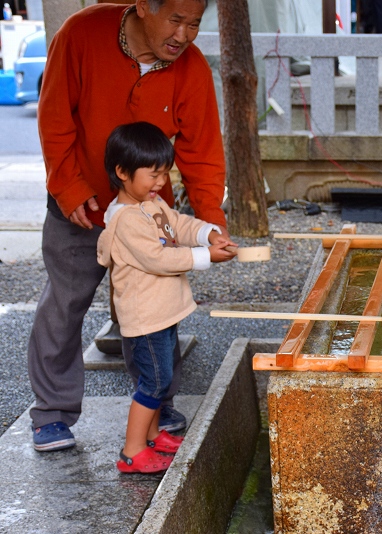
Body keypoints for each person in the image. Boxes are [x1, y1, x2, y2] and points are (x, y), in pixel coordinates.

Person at [29, 0, 227, 452]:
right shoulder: (80, 34)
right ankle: (52, 413)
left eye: (194, 24)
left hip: (149, 213)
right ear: (142, 7)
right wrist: (69, 188)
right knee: (65, 304)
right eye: (175, 20)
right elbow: (54, 118)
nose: (184, 35)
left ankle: (156, 405)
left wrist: (210, 222)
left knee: (157, 308)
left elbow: (203, 152)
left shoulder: (192, 68)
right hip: (80, 204)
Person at [97, 122, 235, 473]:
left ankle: (153, 435)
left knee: (159, 376)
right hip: (144, 318)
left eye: (165, 173)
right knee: (154, 381)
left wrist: (208, 234)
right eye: (153, 174)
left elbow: (180, 224)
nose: (161, 182)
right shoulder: (126, 220)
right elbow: (157, 259)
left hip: (162, 312)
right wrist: (205, 258)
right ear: (122, 172)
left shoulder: (151, 203)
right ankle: (132, 451)